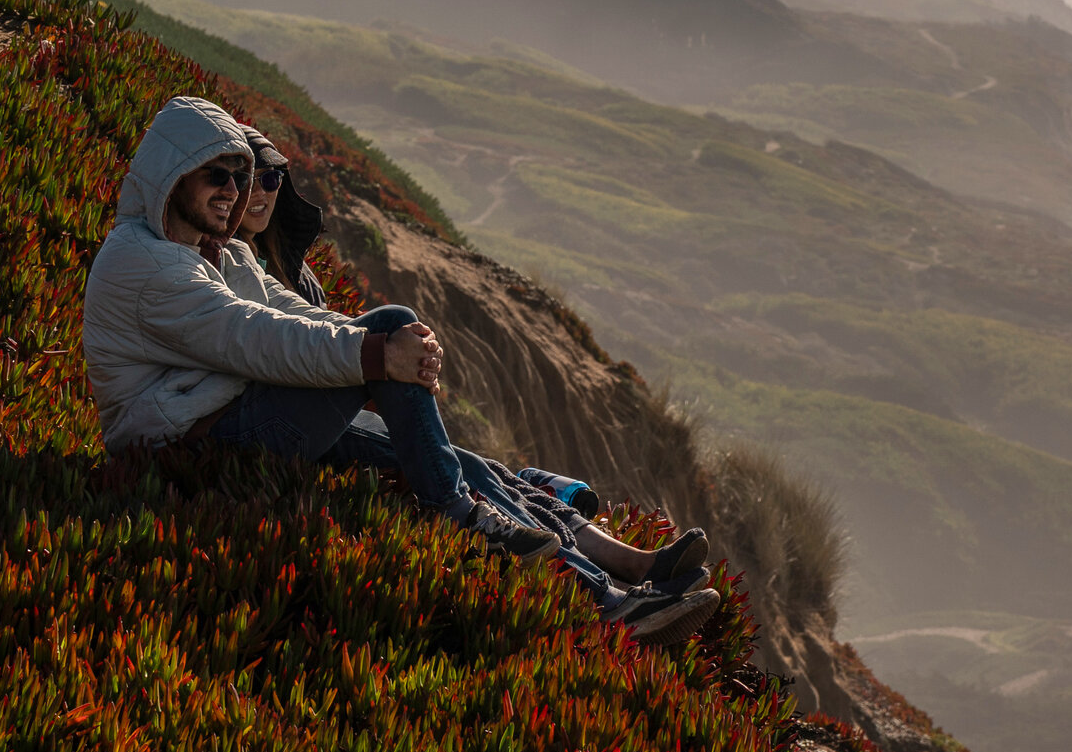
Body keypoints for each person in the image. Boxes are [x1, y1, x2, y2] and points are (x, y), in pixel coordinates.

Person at [83, 96, 716, 643]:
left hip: (238, 417)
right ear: (172, 177)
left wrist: (393, 356)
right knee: (392, 341)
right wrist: (379, 355)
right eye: (215, 175)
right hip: (191, 445)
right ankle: (459, 514)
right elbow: (256, 338)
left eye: (240, 176)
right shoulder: (143, 263)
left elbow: (293, 315)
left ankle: (614, 597)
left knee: (458, 459)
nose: (233, 190)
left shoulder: (216, 254)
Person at [227, 123, 710, 598]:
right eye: (245, 180)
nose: (260, 193)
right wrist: (385, 368)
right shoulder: (224, 271)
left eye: (272, 179)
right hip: (307, 426)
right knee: (469, 474)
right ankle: (604, 594)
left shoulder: (290, 269)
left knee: (484, 469)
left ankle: (630, 561)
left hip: (341, 412)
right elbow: (287, 354)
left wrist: (394, 374)